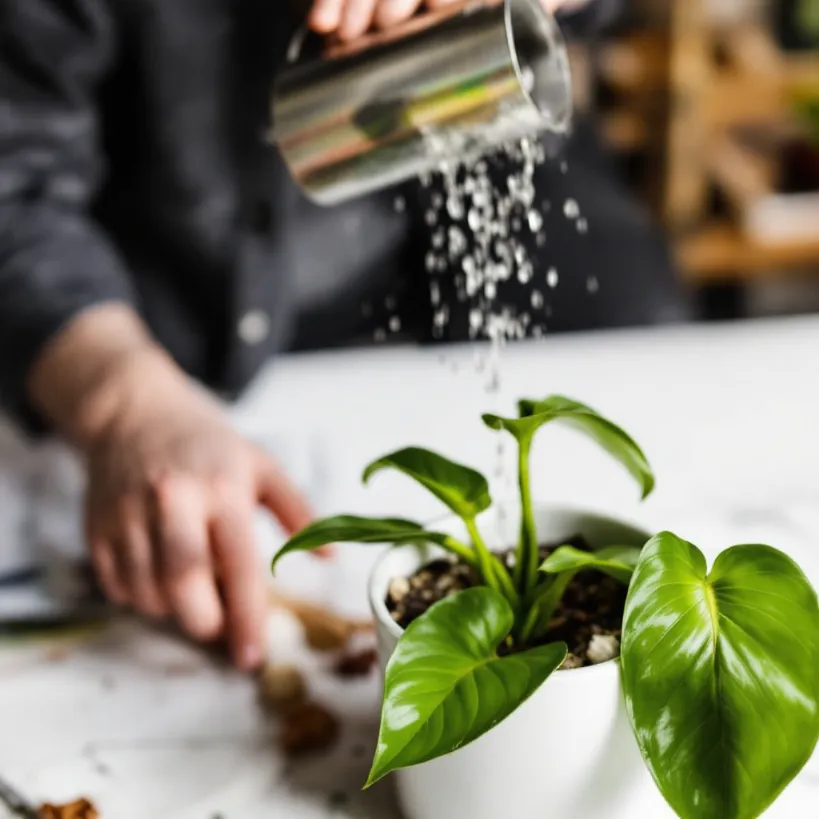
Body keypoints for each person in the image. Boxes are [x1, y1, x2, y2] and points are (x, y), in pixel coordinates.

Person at [0, 0, 677, 672]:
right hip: (162, 307)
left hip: (463, 172)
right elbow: (15, 183)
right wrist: (125, 403)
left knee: (641, 328)